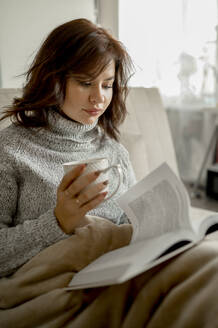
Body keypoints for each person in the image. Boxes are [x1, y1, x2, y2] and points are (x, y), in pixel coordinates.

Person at [0, 18, 136, 277]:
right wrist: (58, 222)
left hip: (120, 275)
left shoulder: (115, 151)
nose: (99, 97)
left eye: (107, 85)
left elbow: (133, 226)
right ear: (53, 80)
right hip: (55, 289)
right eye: (86, 83)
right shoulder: (10, 150)